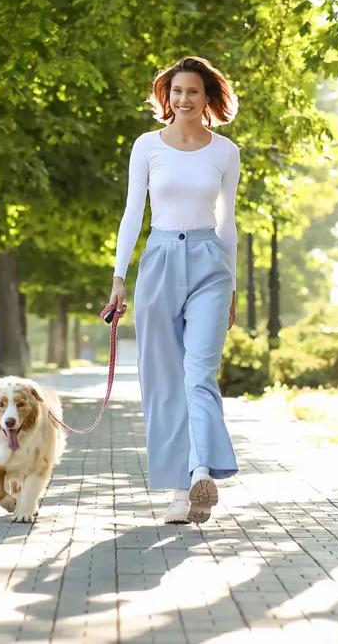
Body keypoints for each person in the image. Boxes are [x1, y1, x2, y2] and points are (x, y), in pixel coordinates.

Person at [107, 55, 241, 525]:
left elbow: (228, 223)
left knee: (199, 374)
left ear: (208, 100)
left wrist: (234, 286)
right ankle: (181, 492)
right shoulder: (147, 146)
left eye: (193, 92)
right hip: (159, 261)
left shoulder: (224, 152)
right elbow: (131, 214)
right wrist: (119, 278)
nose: (183, 99)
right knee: (164, 381)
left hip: (209, 264)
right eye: (176, 92)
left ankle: (201, 468)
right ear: (167, 97)